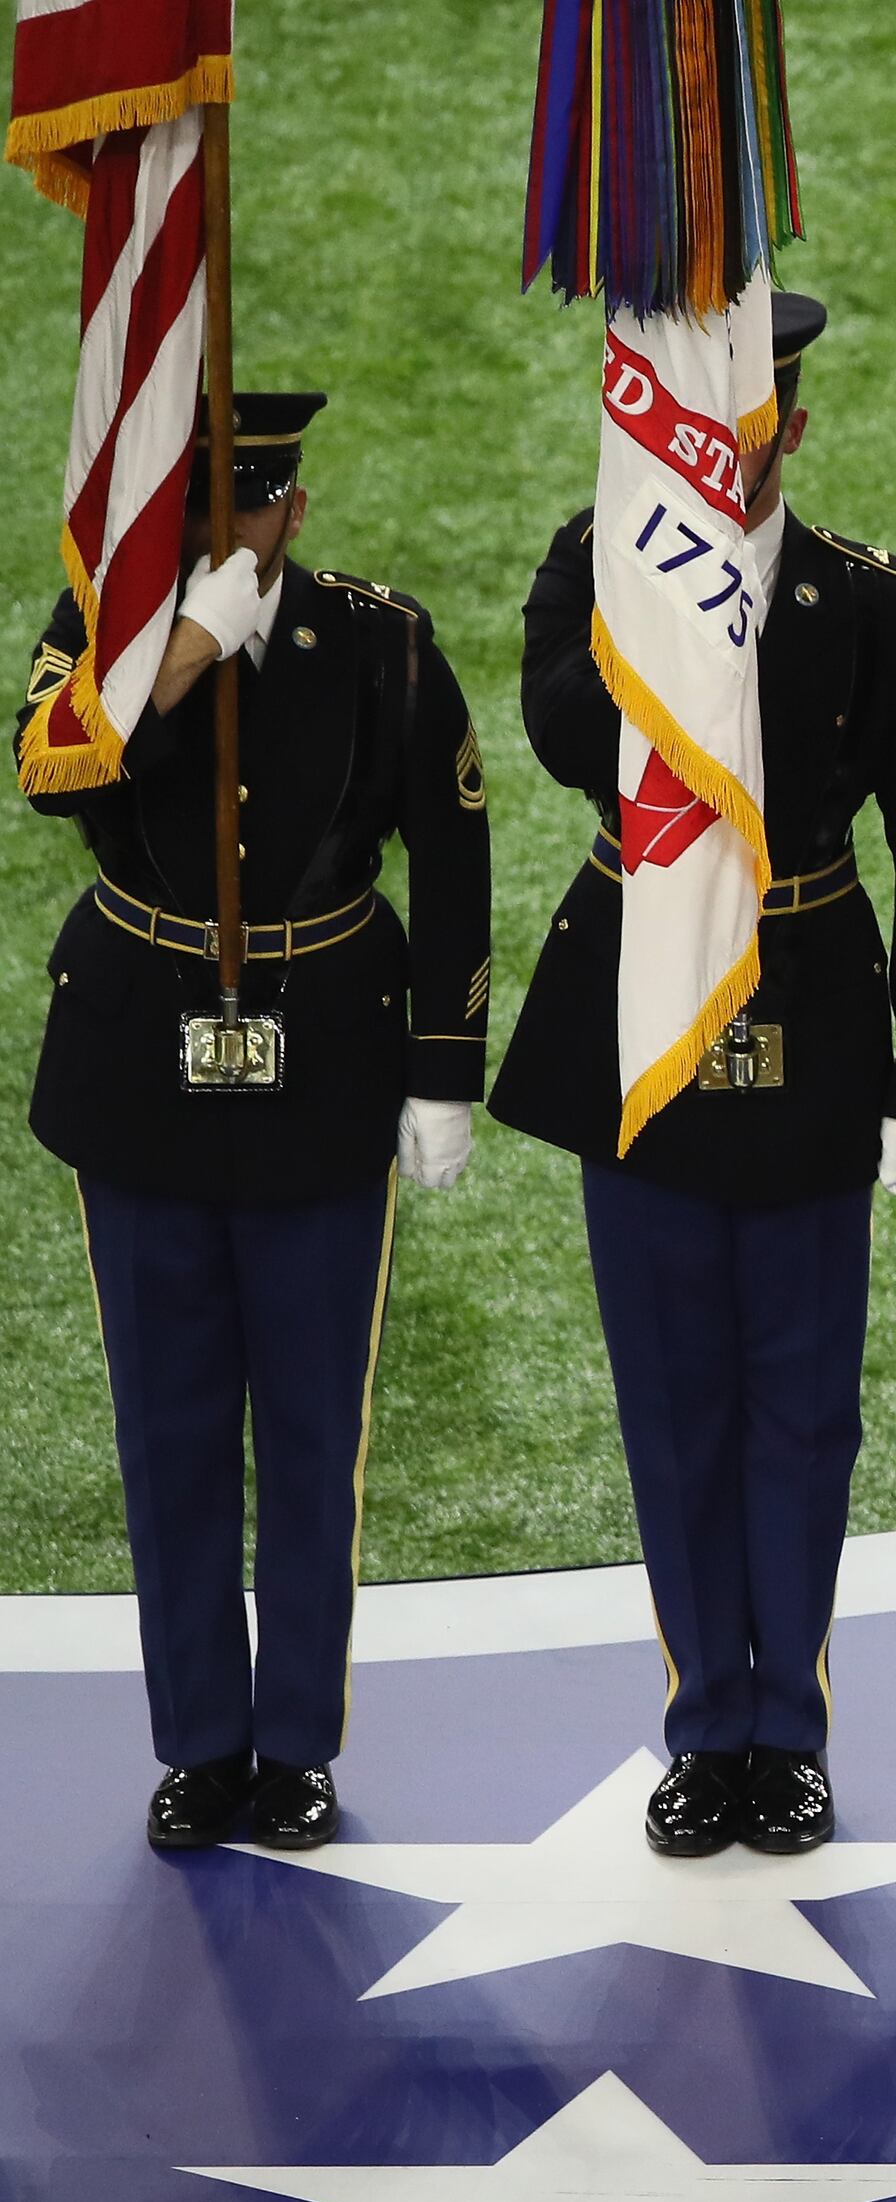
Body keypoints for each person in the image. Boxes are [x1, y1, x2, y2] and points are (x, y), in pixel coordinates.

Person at [489, 291, 896, 1859]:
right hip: (639, 1022)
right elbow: (561, 734)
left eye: (751, 413)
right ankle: (708, 1723)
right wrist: (663, 607)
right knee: (677, 1407)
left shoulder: (869, 603)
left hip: (817, 1021)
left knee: (803, 1411)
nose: (723, 439)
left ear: (790, 424)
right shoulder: (597, 565)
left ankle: (792, 1728)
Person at [20, 393, 491, 1853]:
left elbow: (456, 846)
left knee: (306, 1433)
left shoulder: (380, 640)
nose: (240, 533)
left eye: (259, 508)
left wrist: (442, 1064)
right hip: (140, 1075)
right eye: (210, 512)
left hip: (321, 1075)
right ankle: (199, 1744)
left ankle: (295, 1744)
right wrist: (178, 660)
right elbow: (42, 765)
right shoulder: (108, 629)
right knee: (169, 1436)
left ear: (296, 506)